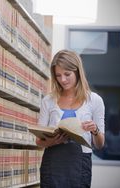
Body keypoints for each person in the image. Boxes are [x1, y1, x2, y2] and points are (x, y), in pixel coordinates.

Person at [36, 50, 105, 188]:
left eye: (67, 74)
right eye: (58, 75)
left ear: (78, 72)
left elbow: (99, 144)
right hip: (52, 162)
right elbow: (38, 141)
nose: (63, 80)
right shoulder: (48, 101)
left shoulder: (95, 100)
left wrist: (95, 130)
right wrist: (52, 141)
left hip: (80, 163)